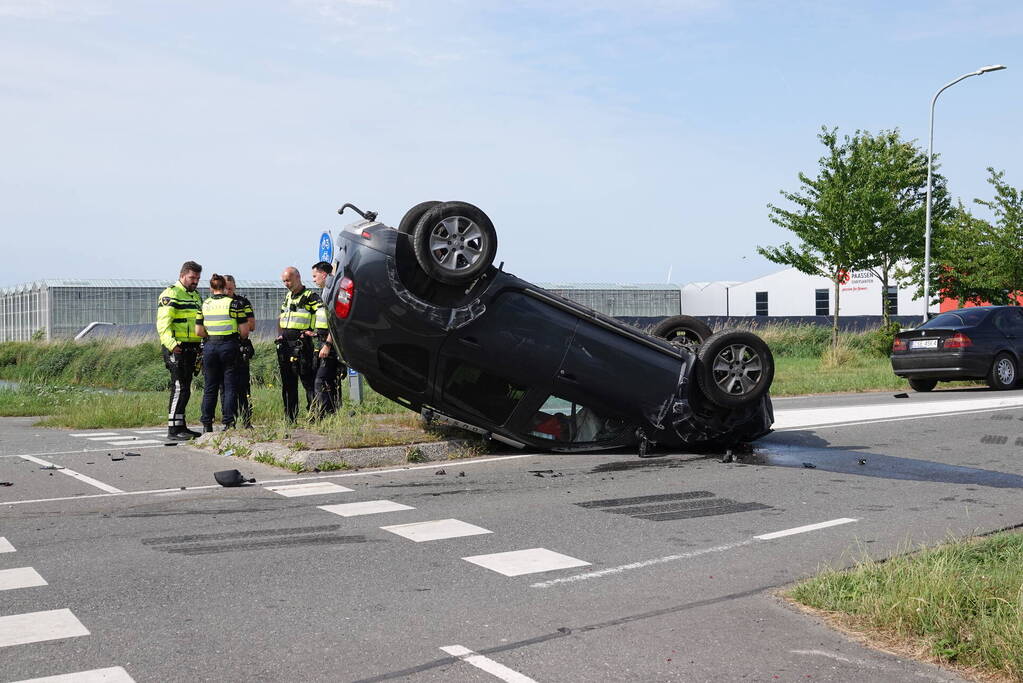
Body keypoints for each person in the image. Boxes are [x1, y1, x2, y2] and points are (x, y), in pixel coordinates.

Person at [156, 261, 204, 440]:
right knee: (179, 388)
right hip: (177, 348)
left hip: (192, 347)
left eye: (198, 278)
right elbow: (163, 325)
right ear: (182, 275)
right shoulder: (171, 294)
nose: (195, 281)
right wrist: (173, 346)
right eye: (192, 278)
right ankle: (173, 430)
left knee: (186, 388)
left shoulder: (195, 296)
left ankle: (181, 426)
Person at [196, 274, 249, 432]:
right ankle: (228, 422)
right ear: (225, 287)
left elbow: (198, 331)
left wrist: (211, 336)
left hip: (210, 346)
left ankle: (207, 424)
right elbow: (245, 332)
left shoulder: (204, 304)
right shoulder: (234, 304)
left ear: (211, 288)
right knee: (229, 386)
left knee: (210, 386)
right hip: (229, 346)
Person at [276, 266, 321, 422]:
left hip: (302, 344)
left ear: (298, 277)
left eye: (288, 280)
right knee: (288, 383)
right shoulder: (288, 297)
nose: (286, 284)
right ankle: (290, 417)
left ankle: (314, 414)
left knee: (308, 380)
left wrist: (315, 332)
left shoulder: (310, 296)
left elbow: (322, 314)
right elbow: (282, 316)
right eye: (284, 281)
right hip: (286, 344)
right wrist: (280, 335)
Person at [310, 261, 345, 417]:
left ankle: (324, 415)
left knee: (321, 380)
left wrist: (327, 344)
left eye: (315, 276)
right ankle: (334, 414)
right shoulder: (327, 290)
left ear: (324, 274)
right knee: (331, 380)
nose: (313, 279)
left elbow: (335, 322)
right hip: (325, 339)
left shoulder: (330, 291)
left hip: (330, 343)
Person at [223, 275, 255, 428]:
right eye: (225, 288)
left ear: (234, 287)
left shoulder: (242, 302)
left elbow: (251, 325)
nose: (227, 291)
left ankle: (247, 421)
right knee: (224, 388)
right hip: (222, 348)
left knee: (243, 386)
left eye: (230, 288)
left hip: (240, 347)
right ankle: (229, 421)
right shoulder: (215, 303)